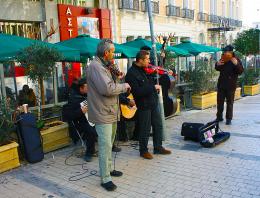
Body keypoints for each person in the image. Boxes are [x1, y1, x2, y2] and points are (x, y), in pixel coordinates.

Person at [86, 39, 131, 191]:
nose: (114, 54)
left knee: (109, 144)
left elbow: (112, 84)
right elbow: (107, 89)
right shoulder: (95, 67)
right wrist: (124, 86)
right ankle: (105, 178)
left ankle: (109, 169)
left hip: (110, 110)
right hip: (102, 112)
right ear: (106, 53)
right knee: (105, 146)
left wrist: (117, 75)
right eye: (112, 52)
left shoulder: (106, 65)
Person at [125, 50, 171, 160]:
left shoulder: (145, 70)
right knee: (145, 128)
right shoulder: (131, 74)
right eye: (147, 59)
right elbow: (137, 92)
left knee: (158, 125)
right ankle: (143, 151)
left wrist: (162, 75)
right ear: (140, 60)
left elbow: (150, 82)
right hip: (143, 104)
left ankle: (158, 147)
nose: (149, 61)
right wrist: (153, 87)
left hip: (153, 101)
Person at [62, 78, 97, 162]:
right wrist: (80, 111)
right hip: (79, 122)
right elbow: (68, 116)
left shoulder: (87, 94)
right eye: (87, 87)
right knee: (91, 131)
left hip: (90, 119)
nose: (89, 89)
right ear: (81, 88)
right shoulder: (73, 98)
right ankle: (89, 153)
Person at [215, 45, 244, 125]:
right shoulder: (223, 58)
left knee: (230, 103)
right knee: (219, 102)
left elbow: (241, 71)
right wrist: (217, 64)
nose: (225, 53)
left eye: (226, 51)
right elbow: (217, 68)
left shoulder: (236, 60)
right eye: (224, 51)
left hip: (231, 86)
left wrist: (236, 64)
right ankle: (219, 117)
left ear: (231, 52)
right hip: (221, 85)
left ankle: (229, 119)